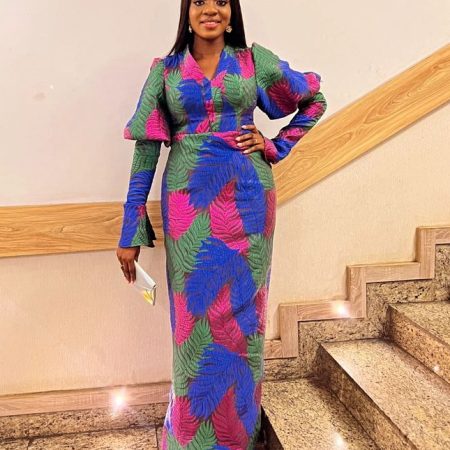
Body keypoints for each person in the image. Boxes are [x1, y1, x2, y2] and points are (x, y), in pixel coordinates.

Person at [116, 0, 327, 448]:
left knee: (243, 316)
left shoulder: (254, 62)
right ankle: (189, 436)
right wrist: (130, 227)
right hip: (188, 205)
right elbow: (146, 150)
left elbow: (314, 101)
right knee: (192, 319)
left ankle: (239, 435)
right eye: (199, 0)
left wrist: (275, 145)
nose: (210, 9)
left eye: (220, 0)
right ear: (186, 11)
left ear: (232, 9)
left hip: (248, 200)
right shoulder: (165, 71)